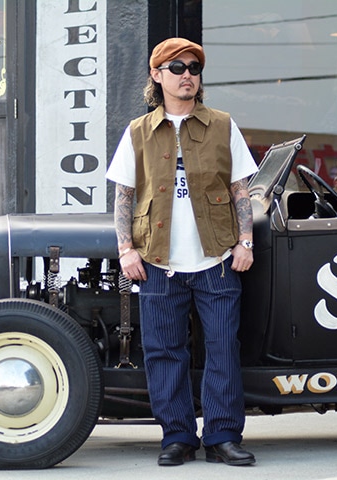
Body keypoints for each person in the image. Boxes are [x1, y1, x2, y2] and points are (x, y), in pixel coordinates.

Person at [106, 37, 257, 467]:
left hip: (217, 260)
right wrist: (125, 249)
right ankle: (177, 437)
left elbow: (240, 190)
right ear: (157, 75)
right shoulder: (138, 131)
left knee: (223, 348)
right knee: (164, 352)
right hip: (157, 261)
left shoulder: (223, 125)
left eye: (193, 68)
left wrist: (245, 242)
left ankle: (223, 437)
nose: (187, 75)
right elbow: (124, 195)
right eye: (177, 68)